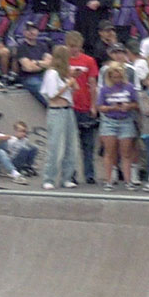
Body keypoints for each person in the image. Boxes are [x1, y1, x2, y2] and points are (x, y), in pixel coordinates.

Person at [41, 45, 80, 190]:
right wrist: (67, 84)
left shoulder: (64, 74)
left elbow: (76, 89)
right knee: (55, 146)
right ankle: (49, 178)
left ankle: (67, 177)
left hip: (68, 110)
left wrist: (72, 78)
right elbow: (52, 94)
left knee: (71, 146)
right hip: (56, 111)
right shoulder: (51, 73)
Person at [97, 64, 139, 190]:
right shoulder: (105, 89)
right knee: (109, 152)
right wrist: (112, 107)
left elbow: (137, 104)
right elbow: (100, 107)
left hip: (126, 120)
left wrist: (128, 106)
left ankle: (128, 181)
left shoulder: (129, 87)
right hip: (109, 120)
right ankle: (109, 181)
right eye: (114, 77)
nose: (117, 80)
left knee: (126, 153)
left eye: (119, 77)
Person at [66, 31, 100, 184]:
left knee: (88, 144)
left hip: (85, 105)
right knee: (71, 143)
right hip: (70, 106)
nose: (74, 49)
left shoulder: (89, 60)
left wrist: (93, 105)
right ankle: (71, 174)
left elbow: (93, 84)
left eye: (76, 46)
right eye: (71, 46)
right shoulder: (64, 61)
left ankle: (89, 174)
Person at [14, 23, 52, 106]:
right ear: (24, 33)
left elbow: (50, 64)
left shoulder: (43, 46)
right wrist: (43, 65)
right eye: (28, 30)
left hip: (44, 75)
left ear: (38, 32)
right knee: (41, 90)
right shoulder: (21, 48)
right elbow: (28, 68)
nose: (31, 32)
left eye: (34, 30)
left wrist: (36, 63)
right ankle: (55, 109)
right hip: (29, 78)